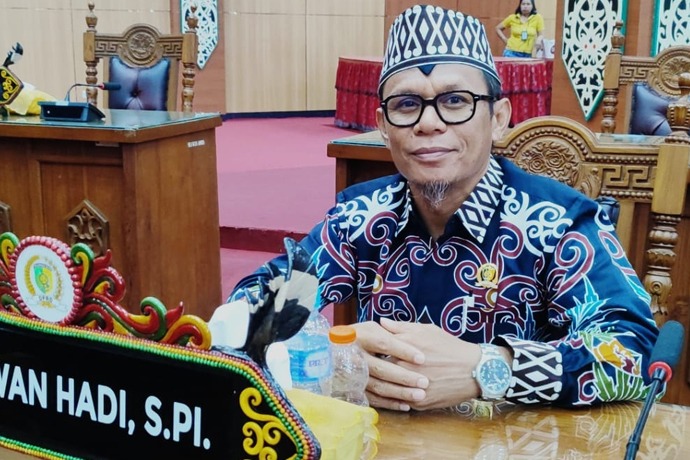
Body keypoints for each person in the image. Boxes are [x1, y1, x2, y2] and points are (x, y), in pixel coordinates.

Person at [222, 4, 658, 415]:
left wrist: (492, 367)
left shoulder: (557, 223)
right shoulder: (359, 217)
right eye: (406, 105)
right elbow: (249, 311)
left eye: (455, 101)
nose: (428, 123)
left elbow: (634, 354)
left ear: (499, 117)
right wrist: (330, 350)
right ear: (383, 127)